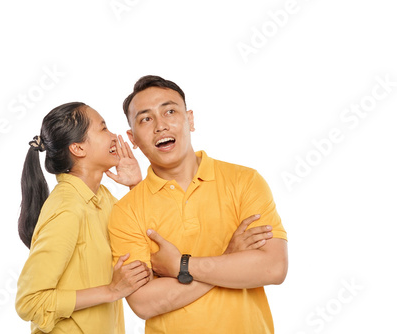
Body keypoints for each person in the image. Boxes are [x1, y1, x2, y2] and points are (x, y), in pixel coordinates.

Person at [108, 76, 288, 333]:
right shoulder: (126, 212)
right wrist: (230, 258)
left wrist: (181, 267)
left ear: (190, 119)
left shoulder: (245, 181)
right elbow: (144, 303)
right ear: (132, 137)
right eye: (146, 119)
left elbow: (273, 268)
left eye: (170, 111)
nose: (160, 125)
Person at [15, 102, 152, 334]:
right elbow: (30, 302)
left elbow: (143, 238)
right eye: (103, 128)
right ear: (78, 148)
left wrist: (135, 186)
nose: (114, 137)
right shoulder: (67, 209)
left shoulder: (102, 198)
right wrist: (111, 291)